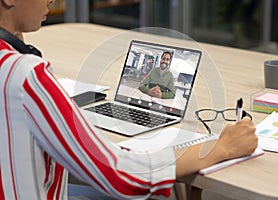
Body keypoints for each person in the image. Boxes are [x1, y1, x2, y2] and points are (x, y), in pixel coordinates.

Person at [0, 0, 258, 199]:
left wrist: (15, 30)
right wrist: (222, 147)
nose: (52, 0)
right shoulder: (25, 75)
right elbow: (118, 174)